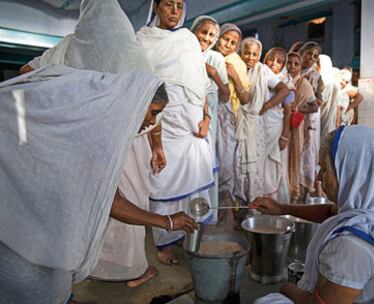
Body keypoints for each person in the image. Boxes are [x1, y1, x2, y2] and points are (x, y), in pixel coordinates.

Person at [0, 64, 197, 304]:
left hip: (32, 217)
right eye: (153, 112)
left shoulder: (103, 118)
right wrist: (165, 221)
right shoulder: (94, 126)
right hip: (21, 225)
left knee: (49, 274)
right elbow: (112, 203)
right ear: (137, 101)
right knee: (30, 279)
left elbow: (108, 194)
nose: (152, 122)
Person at [21, 0, 169, 288]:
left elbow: (27, 73)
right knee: (127, 200)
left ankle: (89, 263)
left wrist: (70, 105)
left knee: (89, 201)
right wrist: (158, 146)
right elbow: (151, 104)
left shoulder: (68, 46)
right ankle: (131, 269)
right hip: (129, 142)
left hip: (85, 137)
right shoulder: (131, 50)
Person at [252, 125, 374, 303]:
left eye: (324, 168)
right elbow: (330, 212)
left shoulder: (352, 245)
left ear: (351, 172)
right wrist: (282, 209)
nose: (319, 178)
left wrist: (286, 288)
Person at [136, 0, 215, 265]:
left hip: (194, 129)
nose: (174, 11)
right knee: (164, 179)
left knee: (193, 180)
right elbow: (144, 90)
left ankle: (188, 234)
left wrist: (206, 116)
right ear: (155, 7)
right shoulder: (143, 40)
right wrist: (155, 143)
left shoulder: (188, 39)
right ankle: (163, 242)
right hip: (164, 127)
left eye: (179, 5)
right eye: (168, 4)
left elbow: (200, 82)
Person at [234, 39, 289, 204]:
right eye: (247, 53)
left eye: (255, 54)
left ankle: (254, 209)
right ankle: (239, 208)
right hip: (238, 123)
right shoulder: (236, 67)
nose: (250, 57)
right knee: (238, 166)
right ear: (240, 52)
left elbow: (284, 90)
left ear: (259, 55)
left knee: (256, 167)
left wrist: (267, 105)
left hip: (256, 124)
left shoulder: (263, 71)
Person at [190, 15, 230, 222]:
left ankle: (205, 215)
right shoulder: (184, 53)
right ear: (194, 30)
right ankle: (185, 214)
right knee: (187, 165)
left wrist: (212, 73)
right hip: (185, 118)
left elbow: (226, 95)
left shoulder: (216, 59)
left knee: (204, 164)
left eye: (211, 35)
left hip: (208, 119)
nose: (206, 37)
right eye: (203, 31)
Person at [215, 23, 250, 199]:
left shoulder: (237, 64)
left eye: (233, 43)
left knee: (225, 162)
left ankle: (225, 207)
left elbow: (245, 99)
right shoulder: (207, 55)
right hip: (206, 114)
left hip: (227, 117)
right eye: (225, 39)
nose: (228, 45)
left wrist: (235, 76)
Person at [261, 47, 293, 204]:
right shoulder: (261, 75)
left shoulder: (286, 81)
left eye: (279, 61)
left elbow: (288, 112)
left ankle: (274, 201)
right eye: (271, 59)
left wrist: (285, 136)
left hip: (275, 127)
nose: (274, 63)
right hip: (260, 125)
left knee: (273, 163)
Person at [286, 52, 318, 200]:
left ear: (300, 67)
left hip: (295, 126)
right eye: (289, 63)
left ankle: (294, 193)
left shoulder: (303, 84)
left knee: (294, 158)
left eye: (296, 64)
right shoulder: (280, 80)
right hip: (277, 126)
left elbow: (314, 106)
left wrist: (298, 109)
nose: (292, 66)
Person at [297, 42, 324, 196]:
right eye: (308, 54)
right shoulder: (294, 71)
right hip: (295, 117)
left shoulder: (316, 76)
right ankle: (296, 186)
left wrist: (306, 103)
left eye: (315, 56)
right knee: (297, 150)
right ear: (302, 53)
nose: (311, 58)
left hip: (310, 118)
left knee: (308, 151)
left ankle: (307, 189)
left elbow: (319, 100)